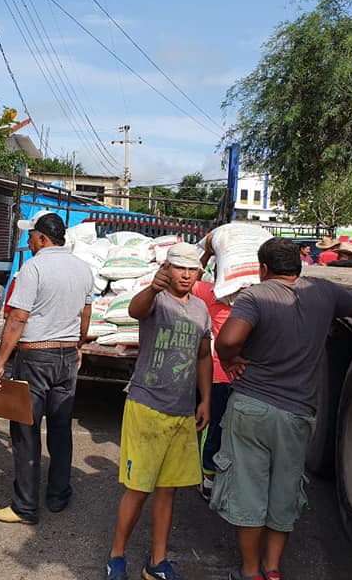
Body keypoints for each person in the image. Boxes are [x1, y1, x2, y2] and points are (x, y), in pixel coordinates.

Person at [212, 237, 352, 580]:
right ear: (300, 264)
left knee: (248, 491)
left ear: (264, 268)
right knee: (284, 491)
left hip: (252, 406)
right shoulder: (324, 292)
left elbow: (227, 340)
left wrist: (229, 360)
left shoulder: (255, 295)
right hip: (297, 413)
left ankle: (251, 572)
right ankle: (273, 570)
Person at [106, 244, 213, 580]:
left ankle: (157, 562)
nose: (184, 275)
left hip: (182, 413)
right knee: (138, 488)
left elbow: (203, 356)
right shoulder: (155, 300)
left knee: (168, 491)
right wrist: (152, 287)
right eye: (178, 268)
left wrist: (205, 399)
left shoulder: (200, 309)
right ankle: (116, 557)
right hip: (146, 406)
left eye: (191, 269)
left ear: (199, 272)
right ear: (166, 268)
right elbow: (136, 311)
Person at [0, 211, 94, 525]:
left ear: (43, 238)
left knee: (25, 430)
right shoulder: (83, 269)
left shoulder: (33, 268)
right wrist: (79, 346)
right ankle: (58, 495)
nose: (28, 241)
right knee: (60, 428)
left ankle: (25, 507)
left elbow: (18, 318)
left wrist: (0, 363)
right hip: (66, 357)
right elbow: (86, 313)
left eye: (30, 236)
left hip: (35, 359)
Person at [192, 231, 236, 502]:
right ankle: (209, 476)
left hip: (217, 372)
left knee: (213, 426)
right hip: (225, 375)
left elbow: (189, 281)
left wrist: (206, 254)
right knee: (218, 427)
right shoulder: (249, 296)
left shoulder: (209, 292)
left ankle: (209, 475)